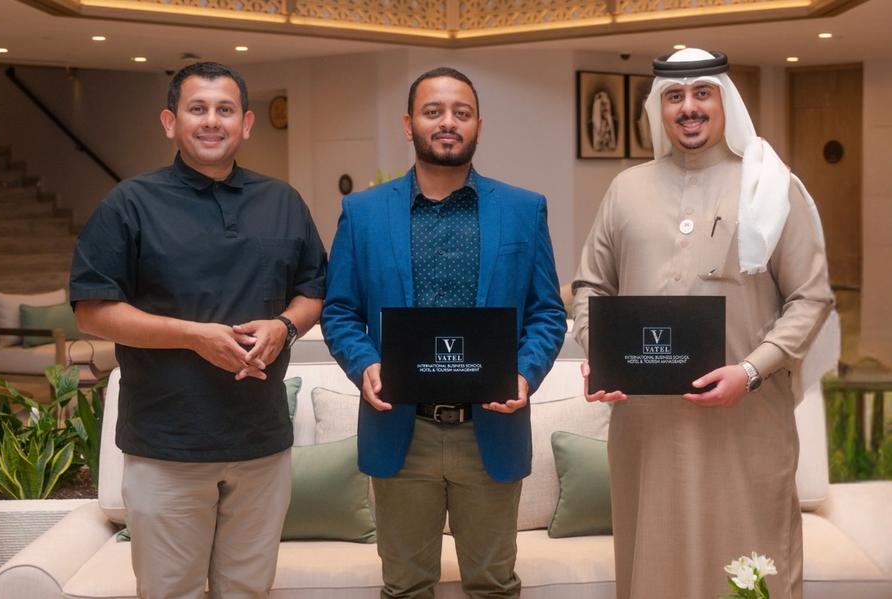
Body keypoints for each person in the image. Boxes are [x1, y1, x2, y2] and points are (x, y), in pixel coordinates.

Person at [572, 48, 834, 599]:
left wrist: (750, 371)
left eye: (701, 93)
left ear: (724, 101)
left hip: (745, 422)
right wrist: (603, 353)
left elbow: (810, 299)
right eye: (674, 96)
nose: (688, 107)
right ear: (659, 108)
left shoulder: (770, 187)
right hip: (646, 428)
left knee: (749, 562)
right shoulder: (626, 189)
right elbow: (589, 286)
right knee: (653, 563)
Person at [70, 61, 326, 599]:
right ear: (171, 122)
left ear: (246, 123)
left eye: (225, 110)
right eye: (197, 109)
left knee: (249, 591)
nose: (212, 121)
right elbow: (92, 310)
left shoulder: (283, 202)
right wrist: (192, 335)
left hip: (261, 444)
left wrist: (285, 326)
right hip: (167, 445)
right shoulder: (130, 204)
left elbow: (314, 292)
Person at [321, 66, 566, 598]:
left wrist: (525, 375)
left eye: (461, 112)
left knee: (494, 586)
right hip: (401, 431)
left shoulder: (523, 210)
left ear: (479, 124)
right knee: (405, 587)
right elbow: (339, 311)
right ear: (408, 124)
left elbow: (547, 313)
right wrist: (366, 364)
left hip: (492, 428)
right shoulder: (362, 214)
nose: (448, 122)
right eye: (433, 112)